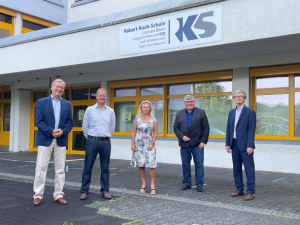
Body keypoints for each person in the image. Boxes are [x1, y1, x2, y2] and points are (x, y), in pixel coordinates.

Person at [33, 79, 73, 206]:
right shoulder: (41, 102)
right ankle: (38, 195)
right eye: (57, 87)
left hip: (61, 140)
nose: (59, 89)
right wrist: (50, 131)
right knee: (41, 168)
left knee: (60, 169)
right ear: (52, 87)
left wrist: (63, 131)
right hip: (45, 139)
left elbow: (70, 123)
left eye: (62, 88)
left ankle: (59, 195)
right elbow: (38, 121)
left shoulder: (67, 104)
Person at [79, 88, 116, 200]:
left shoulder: (110, 111)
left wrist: (105, 135)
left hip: (105, 142)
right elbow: (85, 127)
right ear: (96, 97)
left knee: (105, 168)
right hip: (92, 141)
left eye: (104, 95)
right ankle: (84, 191)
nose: (102, 97)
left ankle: (105, 191)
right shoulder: (89, 110)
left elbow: (112, 128)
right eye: (100, 95)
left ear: (106, 97)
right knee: (87, 167)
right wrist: (91, 138)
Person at [173, 95, 209, 192]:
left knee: (199, 165)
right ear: (184, 103)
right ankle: (187, 183)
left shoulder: (201, 112)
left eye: (191, 101)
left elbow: (206, 128)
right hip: (184, 144)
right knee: (185, 164)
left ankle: (199, 184)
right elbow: (175, 128)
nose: (189, 103)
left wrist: (203, 141)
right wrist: (182, 136)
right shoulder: (179, 113)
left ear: (194, 102)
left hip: (198, 144)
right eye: (187, 102)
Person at [225, 90, 256, 201]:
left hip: (245, 145)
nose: (238, 98)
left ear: (244, 99)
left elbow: (251, 130)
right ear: (234, 99)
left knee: (249, 169)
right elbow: (229, 129)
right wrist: (227, 144)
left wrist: (250, 145)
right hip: (234, 144)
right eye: (236, 96)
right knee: (236, 169)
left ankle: (250, 192)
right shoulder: (231, 112)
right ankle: (239, 189)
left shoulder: (250, 112)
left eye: (240, 96)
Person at [131, 101, 158, 195]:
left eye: (147, 107)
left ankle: (152, 185)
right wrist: (132, 144)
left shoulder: (153, 119)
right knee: (141, 164)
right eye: (144, 107)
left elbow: (155, 133)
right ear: (141, 108)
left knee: (152, 165)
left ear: (150, 109)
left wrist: (152, 143)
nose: (145, 109)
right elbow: (134, 132)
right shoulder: (137, 119)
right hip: (139, 144)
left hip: (149, 145)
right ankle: (143, 183)